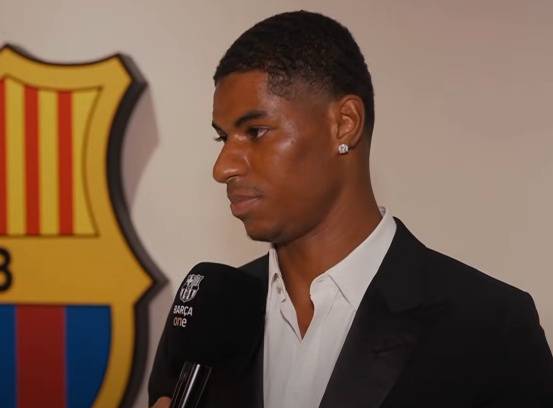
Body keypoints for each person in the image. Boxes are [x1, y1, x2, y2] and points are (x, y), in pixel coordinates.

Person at [149, 10, 553, 408]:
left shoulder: (490, 327)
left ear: (344, 123)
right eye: (223, 138)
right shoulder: (206, 316)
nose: (223, 168)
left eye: (255, 132)